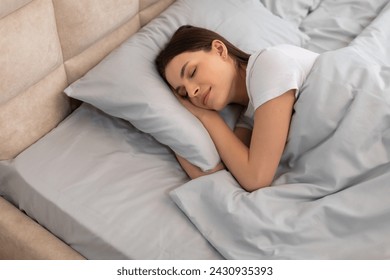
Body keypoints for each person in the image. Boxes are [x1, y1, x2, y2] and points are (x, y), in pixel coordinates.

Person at [156, 25, 319, 192]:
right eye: (183, 93)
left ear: (219, 50)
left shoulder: (268, 64)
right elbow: (216, 177)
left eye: (192, 72)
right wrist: (171, 135)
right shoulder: (250, 116)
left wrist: (207, 117)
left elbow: (256, 178)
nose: (191, 92)